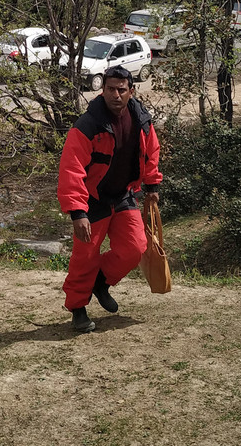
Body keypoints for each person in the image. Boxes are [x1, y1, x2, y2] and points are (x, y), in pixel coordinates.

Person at [57, 64, 163, 332]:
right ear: (102, 90)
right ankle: (77, 308)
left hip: (124, 195)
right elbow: (71, 168)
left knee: (135, 248)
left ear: (132, 91)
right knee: (85, 256)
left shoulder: (141, 120)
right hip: (93, 200)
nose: (115, 95)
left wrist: (152, 187)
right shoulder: (88, 125)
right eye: (110, 89)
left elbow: (151, 152)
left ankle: (100, 282)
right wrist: (78, 212)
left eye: (121, 90)